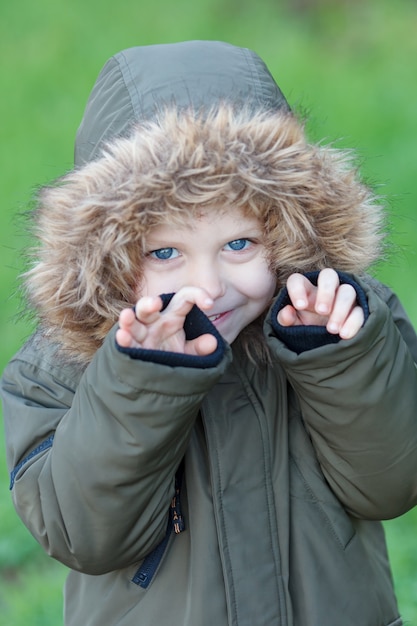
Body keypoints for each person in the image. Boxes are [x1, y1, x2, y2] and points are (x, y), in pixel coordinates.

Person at [1, 40, 417, 626]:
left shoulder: (347, 323)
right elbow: (86, 536)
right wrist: (141, 381)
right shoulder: (58, 369)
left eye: (239, 244)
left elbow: (391, 485)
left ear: (290, 232)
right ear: (110, 258)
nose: (209, 285)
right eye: (166, 251)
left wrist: (336, 359)